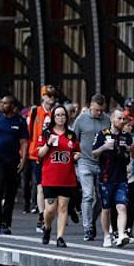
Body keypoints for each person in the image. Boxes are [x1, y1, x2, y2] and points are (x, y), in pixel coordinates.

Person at [37, 104, 80, 247]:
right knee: (50, 209)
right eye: (58, 115)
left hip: (67, 177)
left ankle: (60, 237)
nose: (61, 118)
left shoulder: (71, 134)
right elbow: (40, 154)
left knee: (63, 208)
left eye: (63, 115)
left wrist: (76, 155)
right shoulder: (46, 133)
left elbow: (75, 150)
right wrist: (48, 144)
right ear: (53, 118)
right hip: (50, 177)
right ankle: (47, 227)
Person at [0, 96, 28, 235]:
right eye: (1, 102)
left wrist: (23, 159)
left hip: (13, 159)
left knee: (10, 192)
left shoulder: (20, 121)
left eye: (5, 103)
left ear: (12, 105)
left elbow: (24, 142)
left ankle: (6, 223)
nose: (2, 105)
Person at [93, 108, 134, 248]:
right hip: (106, 177)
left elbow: (133, 156)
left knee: (122, 206)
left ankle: (121, 234)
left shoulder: (127, 136)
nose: (122, 121)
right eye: (119, 118)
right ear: (112, 120)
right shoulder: (102, 134)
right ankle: (106, 235)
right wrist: (104, 147)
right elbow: (94, 153)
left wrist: (132, 150)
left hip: (122, 177)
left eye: (123, 119)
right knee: (106, 208)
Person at [72, 94, 110, 241]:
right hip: (85, 161)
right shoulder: (81, 120)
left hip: (102, 163)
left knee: (101, 196)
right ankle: (87, 227)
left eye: (101, 110)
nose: (99, 113)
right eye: (96, 110)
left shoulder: (107, 120)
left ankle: (92, 220)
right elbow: (74, 139)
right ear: (90, 107)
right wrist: (75, 154)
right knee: (88, 195)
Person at [26, 85, 57, 227]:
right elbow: (27, 133)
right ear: (43, 96)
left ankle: (49, 212)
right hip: (36, 153)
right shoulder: (34, 112)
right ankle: (41, 215)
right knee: (40, 185)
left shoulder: (57, 113)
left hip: (52, 153)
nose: (51, 99)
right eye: (49, 96)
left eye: (53, 96)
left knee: (51, 185)